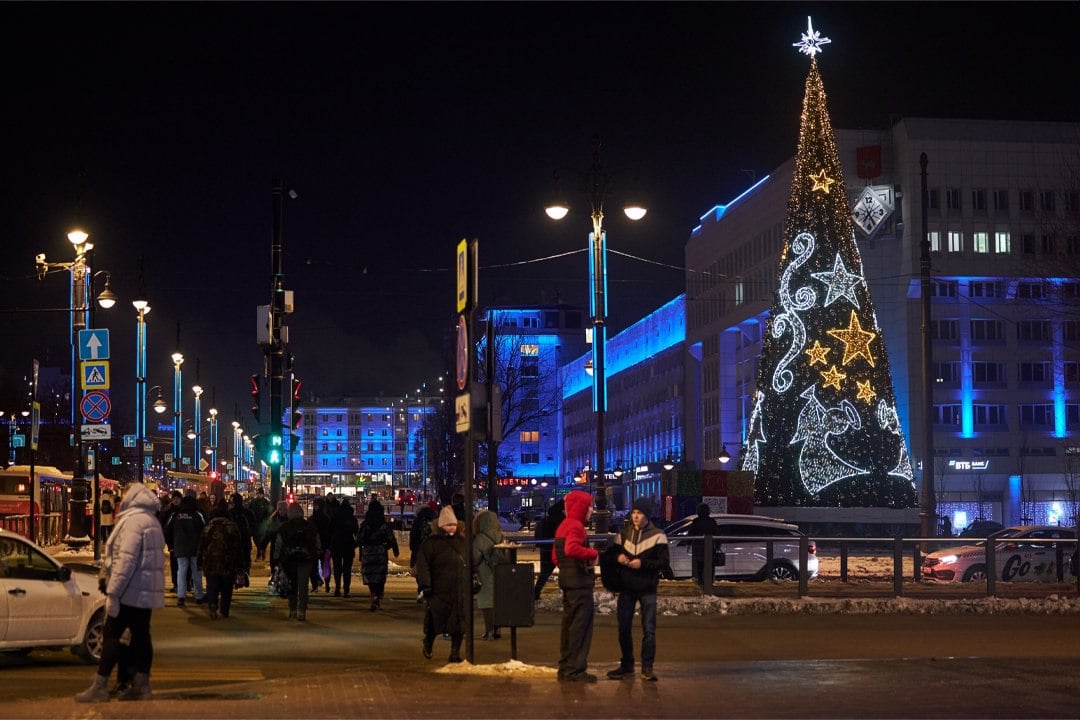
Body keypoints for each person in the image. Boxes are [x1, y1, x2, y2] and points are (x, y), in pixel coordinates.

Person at [74, 483, 165, 703]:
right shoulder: (151, 521)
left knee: (112, 635)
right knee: (142, 637)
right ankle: (141, 686)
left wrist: (113, 591)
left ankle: (100, 686)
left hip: (129, 592)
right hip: (144, 593)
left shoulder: (133, 522)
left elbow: (126, 561)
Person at [606, 497, 670, 682]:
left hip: (647, 587)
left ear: (646, 515)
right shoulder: (623, 533)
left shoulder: (658, 535)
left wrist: (642, 563)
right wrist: (618, 558)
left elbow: (664, 563)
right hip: (627, 587)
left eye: (639, 513)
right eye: (634, 512)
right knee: (623, 628)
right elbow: (612, 555)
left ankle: (647, 668)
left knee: (648, 629)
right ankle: (627, 665)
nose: (635, 516)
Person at [553, 489, 599, 683]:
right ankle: (575, 670)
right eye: (589, 506)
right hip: (579, 584)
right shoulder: (576, 527)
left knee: (569, 626)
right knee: (580, 628)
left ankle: (565, 667)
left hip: (567, 581)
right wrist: (592, 554)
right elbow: (572, 548)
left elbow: (556, 556)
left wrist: (566, 567)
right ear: (581, 507)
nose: (591, 510)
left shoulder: (563, 525)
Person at [416, 506, 469, 663]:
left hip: (458, 589)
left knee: (459, 624)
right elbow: (423, 565)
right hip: (438, 589)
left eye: (453, 525)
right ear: (440, 526)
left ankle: (454, 653)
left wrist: (474, 578)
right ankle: (428, 643)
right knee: (435, 621)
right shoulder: (431, 543)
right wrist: (425, 585)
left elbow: (470, 562)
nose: (451, 528)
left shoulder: (463, 542)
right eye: (448, 525)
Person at [197, 500, 245, 620]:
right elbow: (238, 545)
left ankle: (213, 604)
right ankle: (224, 609)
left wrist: (199, 561)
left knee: (212, 585)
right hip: (228, 562)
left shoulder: (209, 526)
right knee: (227, 587)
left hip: (211, 561)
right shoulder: (232, 526)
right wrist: (240, 564)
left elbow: (202, 544)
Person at [274, 502, 321, 621]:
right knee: (303, 585)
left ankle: (292, 608)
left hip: (289, 560)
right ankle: (302, 610)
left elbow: (279, 544)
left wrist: (277, 558)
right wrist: (315, 555)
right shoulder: (309, 526)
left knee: (292, 584)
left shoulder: (285, 527)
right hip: (306, 560)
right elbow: (317, 543)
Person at [164, 490, 205, 608]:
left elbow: (167, 530)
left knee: (181, 572)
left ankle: (181, 596)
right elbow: (204, 530)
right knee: (196, 572)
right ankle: (198, 596)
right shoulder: (197, 515)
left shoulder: (176, 515)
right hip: (195, 548)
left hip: (180, 548)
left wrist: (171, 545)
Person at [358, 499, 399, 611]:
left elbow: (360, 539)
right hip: (380, 552)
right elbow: (391, 539)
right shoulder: (383, 524)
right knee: (380, 576)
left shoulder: (365, 524)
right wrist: (388, 547)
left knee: (370, 576)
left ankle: (374, 595)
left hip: (368, 552)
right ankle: (378, 595)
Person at [473, 509, 507, 640]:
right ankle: (497, 628)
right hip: (499, 572)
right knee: (497, 601)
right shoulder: (500, 536)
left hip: (485, 572)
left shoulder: (480, 538)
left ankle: (489, 630)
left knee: (486, 603)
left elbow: (475, 557)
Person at [533, 499, 565, 600]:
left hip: (545, 548)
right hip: (554, 549)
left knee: (544, 573)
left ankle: (535, 593)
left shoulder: (548, 518)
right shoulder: (559, 519)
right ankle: (567, 593)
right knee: (566, 571)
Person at [328, 498, 359, 597]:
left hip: (337, 544)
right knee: (347, 569)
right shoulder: (352, 518)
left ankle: (337, 588)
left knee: (337, 568)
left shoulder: (335, 517)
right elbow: (356, 532)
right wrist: (355, 544)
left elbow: (330, 531)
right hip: (348, 545)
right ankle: (346, 590)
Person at [686, 502, 719, 586]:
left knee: (700, 565)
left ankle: (700, 581)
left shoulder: (696, 521)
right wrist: (718, 545)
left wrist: (688, 543)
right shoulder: (712, 521)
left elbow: (691, 533)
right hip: (710, 546)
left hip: (698, 546)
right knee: (710, 565)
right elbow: (717, 533)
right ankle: (709, 582)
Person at [409, 502, 439, 590]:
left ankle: (421, 588)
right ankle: (429, 587)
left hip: (419, 548)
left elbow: (413, 535)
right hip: (432, 549)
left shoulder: (417, 520)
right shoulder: (435, 520)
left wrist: (413, 547)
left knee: (419, 570)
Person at [228, 492, 256, 580]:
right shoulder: (248, 512)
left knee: (233, 559)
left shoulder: (230, 512)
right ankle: (246, 573)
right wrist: (250, 534)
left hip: (233, 541)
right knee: (246, 558)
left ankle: (234, 575)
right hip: (245, 540)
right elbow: (254, 526)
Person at [310, 496, 333, 592]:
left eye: (316, 505)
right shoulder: (325, 518)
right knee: (323, 566)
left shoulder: (314, 519)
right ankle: (319, 585)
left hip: (319, 545)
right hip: (320, 545)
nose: (315, 507)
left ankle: (320, 585)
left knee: (320, 566)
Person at [248, 487, 273, 561]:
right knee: (256, 538)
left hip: (263, 524)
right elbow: (250, 511)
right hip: (255, 523)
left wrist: (266, 519)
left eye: (259, 494)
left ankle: (260, 553)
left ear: (262, 494)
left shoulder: (266, 502)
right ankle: (261, 551)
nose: (258, 495)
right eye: (257, 494)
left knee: (261, 539)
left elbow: (269, 512)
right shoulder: (253, 502)